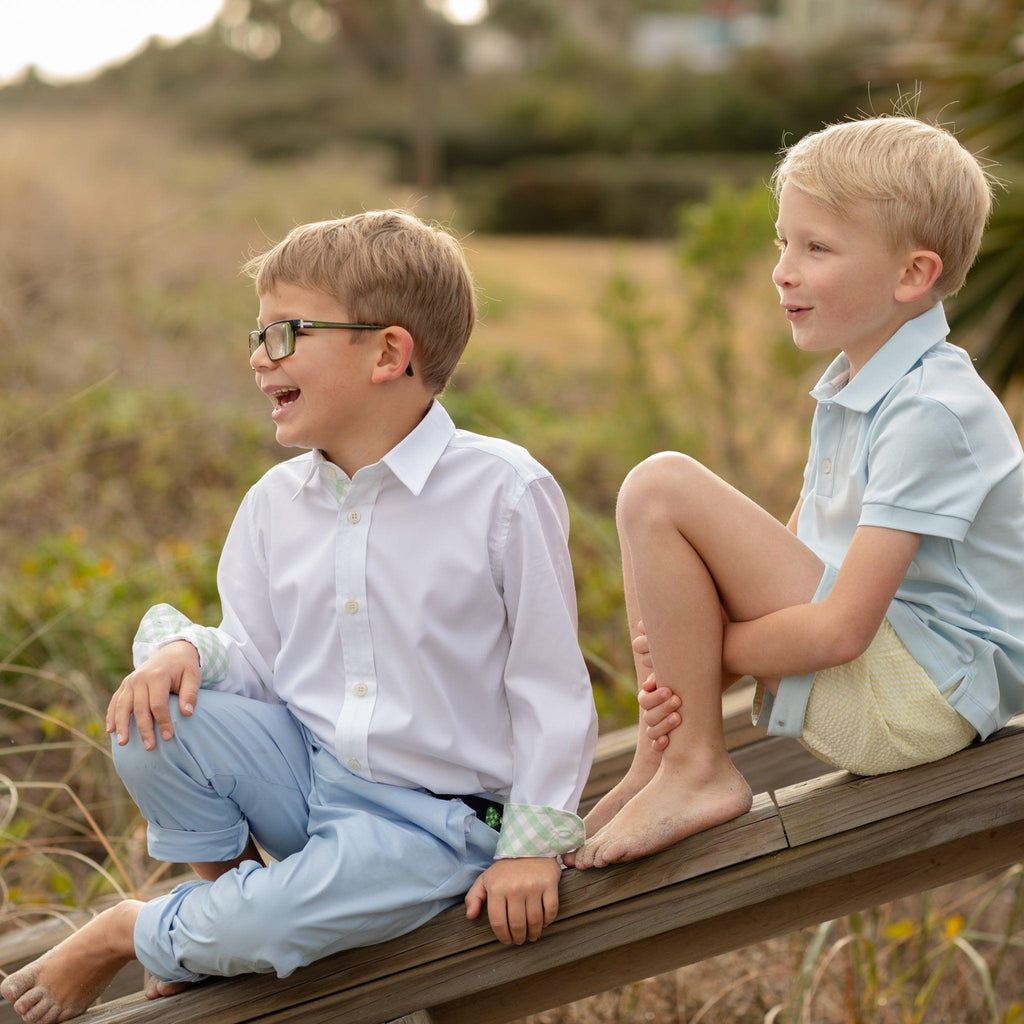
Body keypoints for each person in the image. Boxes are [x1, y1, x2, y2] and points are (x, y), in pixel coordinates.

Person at [2, 210, 598, 1022]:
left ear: (389, 352)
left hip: (436, 828)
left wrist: (531, 848)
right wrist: (187, 652)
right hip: (314, 779)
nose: (258, 357)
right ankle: (223, 921)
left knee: (283, 916)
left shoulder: (502, 491)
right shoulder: (275, 505)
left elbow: (549, 688)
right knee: (152, 718)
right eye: (257, 333)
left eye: (286, 334)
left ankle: (138, 930)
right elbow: (258, 665)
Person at [569, 115, 1024, 871]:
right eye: (784, 242)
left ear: (912, 274)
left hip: (919, 700)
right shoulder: (861, 386)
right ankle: (667, 757)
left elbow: (840, 629)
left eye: (816, 247)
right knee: (661, 509)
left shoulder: (934, 409)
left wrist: (704, 648)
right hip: (897, 681)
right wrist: (690, 653)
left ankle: (695, 766)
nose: (782, 268)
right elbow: (792, 558)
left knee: (660, 487)